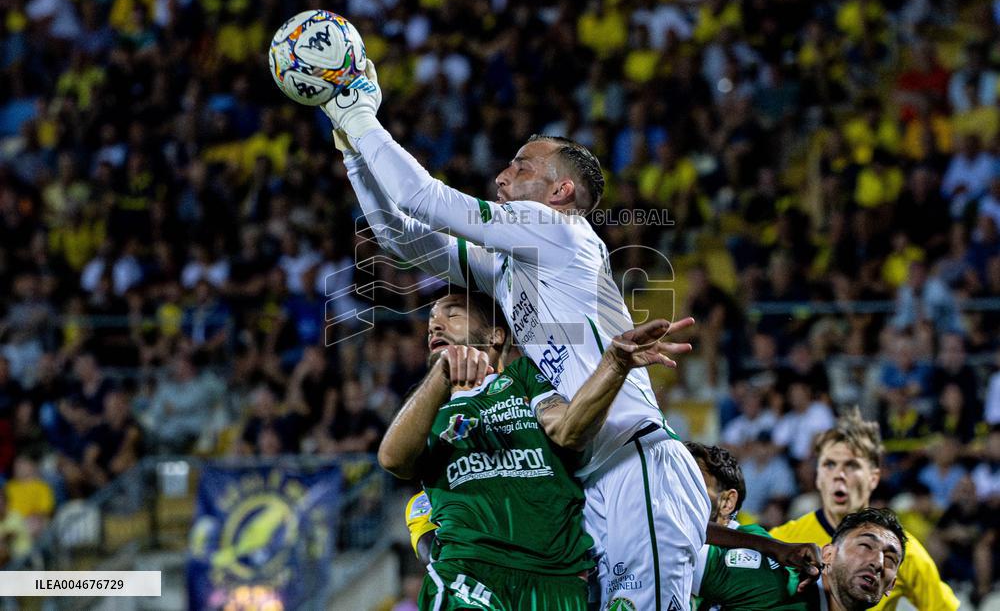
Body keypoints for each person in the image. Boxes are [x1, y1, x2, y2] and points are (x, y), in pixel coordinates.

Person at [323, 58, 820, 609]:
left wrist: (362, 113)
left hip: (637, 466)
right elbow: (402, 240)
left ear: (560, 191)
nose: (501, 177)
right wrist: (350, 147)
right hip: (589, 478)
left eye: (520, 166)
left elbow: (425, 199)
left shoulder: (559, 233)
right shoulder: (513, 268)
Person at [377, 291, 694, 609]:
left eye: (452, 313)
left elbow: (569, 430)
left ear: (495, 336)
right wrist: (441, 375)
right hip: (471, 572)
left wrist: (614, 364)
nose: (435, 326)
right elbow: (393, 459)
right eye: (431, 321)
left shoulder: (523, 378)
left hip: (557, 579)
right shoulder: (427, 407)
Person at [770, 409, 958, 610]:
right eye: (830, 464)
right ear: (818, 476)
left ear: (873, 477)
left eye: (851, 465)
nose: (839, 474)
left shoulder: (904, 553)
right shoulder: (781, 541)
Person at [688, 443, 905, 611]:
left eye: (890, 559)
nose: (877, 562)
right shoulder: (774, 582)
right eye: (866, 545)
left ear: (891, 586)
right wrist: (771, 546)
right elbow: (673, 536)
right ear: (828, 553)